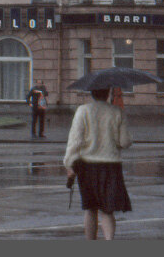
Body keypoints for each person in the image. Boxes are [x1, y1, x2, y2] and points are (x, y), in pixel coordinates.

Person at [63, 87, 133, 240]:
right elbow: (125, 142)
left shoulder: (83, 111)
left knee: (90, 208)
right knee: (107, 210)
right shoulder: (117, 112)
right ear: (107, 93)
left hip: (87, 166)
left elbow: (75, 141)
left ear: (92, 93)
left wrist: (69, 164)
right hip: (111, 166)